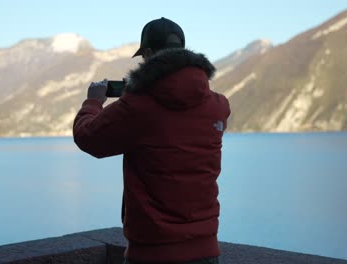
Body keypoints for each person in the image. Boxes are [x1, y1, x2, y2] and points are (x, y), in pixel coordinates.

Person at [73, 17, 231, 264]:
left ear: (147, 53)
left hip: (152, 253)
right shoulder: (219, 106)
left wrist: (93, 102)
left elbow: (87, 138)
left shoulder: (137, 106)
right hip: (207, 251)